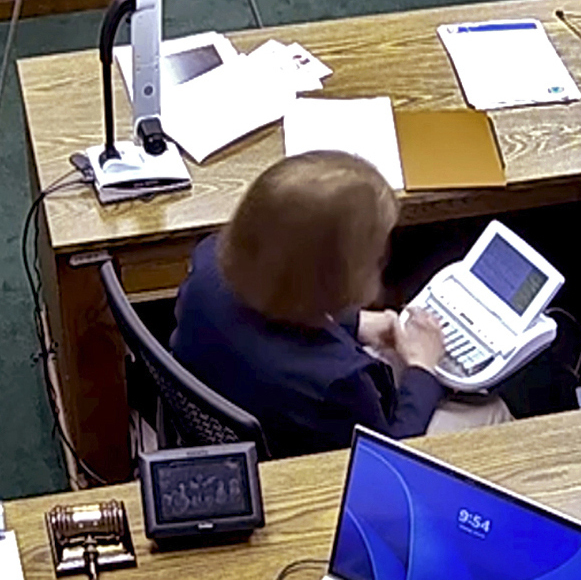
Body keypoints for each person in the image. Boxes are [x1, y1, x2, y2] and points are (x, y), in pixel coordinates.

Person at [170, 150, 509, 457]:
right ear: (338, 280)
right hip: (316, 465)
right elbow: (384, 459)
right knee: (492, 409)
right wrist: (423, 370)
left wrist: (357, 323)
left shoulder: (207, 263)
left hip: (248, 401)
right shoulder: (343, 384)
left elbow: (275, 301)